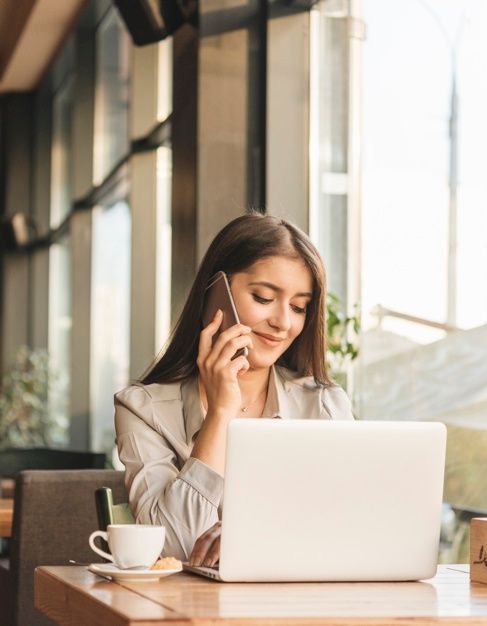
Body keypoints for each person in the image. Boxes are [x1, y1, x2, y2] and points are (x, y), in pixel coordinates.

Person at [114, 212, 353, 565]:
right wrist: (222, 413)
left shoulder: (324, 405)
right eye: (263, 297)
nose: (283, 323)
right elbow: (178, 547)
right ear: (216, 294)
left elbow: (350, 529)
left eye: (299, 307)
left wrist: (255, 537)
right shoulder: (144, 409)